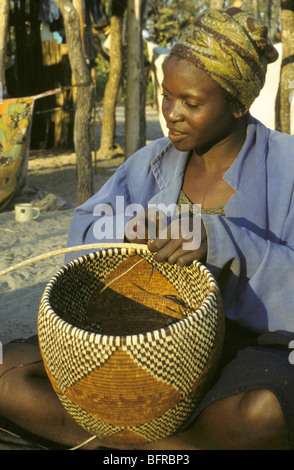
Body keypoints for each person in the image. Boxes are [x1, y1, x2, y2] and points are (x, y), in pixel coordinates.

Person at [1, 7, 294, 450]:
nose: (170, 114)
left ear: (239, 104)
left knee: (263, 414)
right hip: (142, 340)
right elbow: (85, 229)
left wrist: (221, 242)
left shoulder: (286, 167)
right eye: (165, 95)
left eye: (191, 103)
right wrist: (124, 229)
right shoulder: (152, 163)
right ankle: (161, 449)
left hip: (242, 347)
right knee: (7, 372)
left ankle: (123, 446)